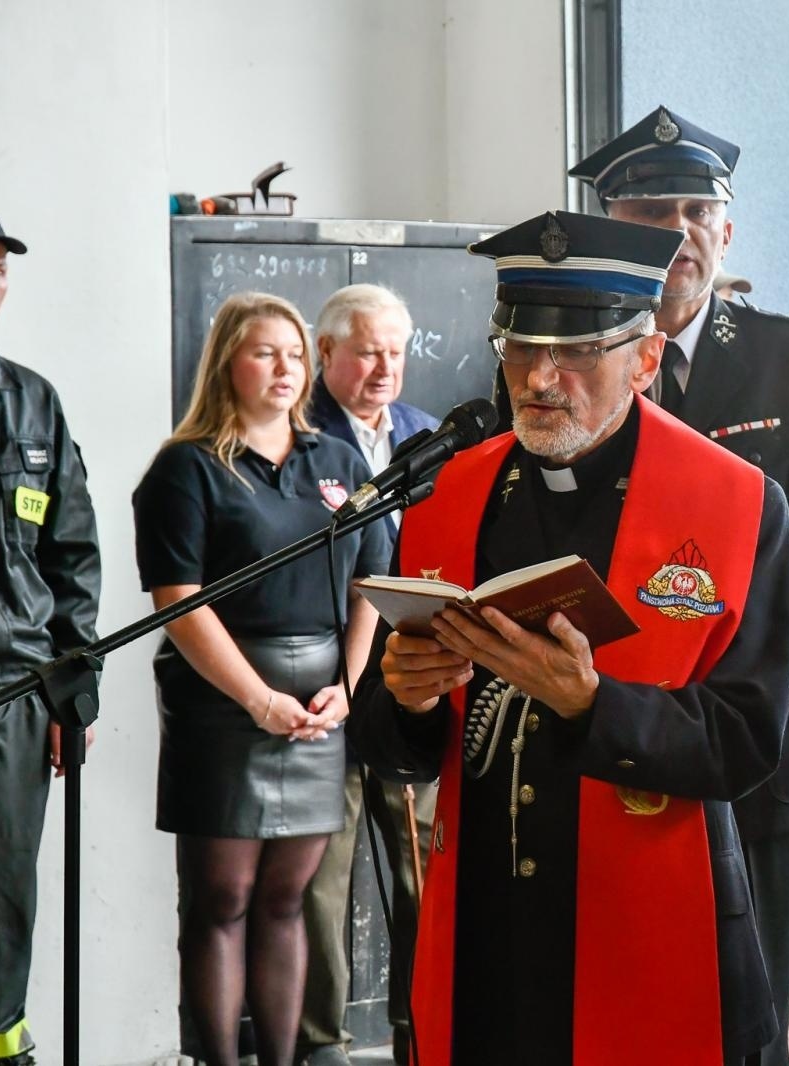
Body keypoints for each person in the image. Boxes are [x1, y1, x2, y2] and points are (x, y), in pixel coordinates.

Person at [347, 209, 789, 1064]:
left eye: (579, 352)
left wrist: (594, 706)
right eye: (519, 348)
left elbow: (747, 741)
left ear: (646, 359)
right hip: (484, 923)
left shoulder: (735, 505)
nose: (541, 376)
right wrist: (403, 698)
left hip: (650, 912)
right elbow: (387, 742)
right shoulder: (446, 497)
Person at [570, 105, 789, 1065]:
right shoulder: (560, 368)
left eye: (699, 209)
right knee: (621, 1001)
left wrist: (725, 661)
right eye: (655, 211)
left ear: (727, 231)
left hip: (751, 729)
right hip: (603, 724)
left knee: (750, 1016)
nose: (682, 230)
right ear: (611, 226)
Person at [132, 292, 387, 1066]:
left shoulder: (336, 460)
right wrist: (259, 699)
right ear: (227, 364)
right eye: (264, 353)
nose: (285, 368)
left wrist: (349, 684)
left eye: (294, 354)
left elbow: (372, 580)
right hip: (224, 706)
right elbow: (177, 602)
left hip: (319, 708)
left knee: (286, 905)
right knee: (223, 903)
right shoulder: (187, 468)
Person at [300, 283, 439, 1066]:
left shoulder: (427, 435)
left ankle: (419, 1037)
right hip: (321, 685)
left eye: (396, 350)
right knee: (323, 884)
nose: (384, 367)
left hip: (412, 685)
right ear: (327, 355)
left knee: (421, 874)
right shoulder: (299, 435)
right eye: (365, 350)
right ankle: (322, 1043)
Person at [0, 213, 100, 1066]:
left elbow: (72, 558)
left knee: (0, 896)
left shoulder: (31, 403)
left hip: (13, 697)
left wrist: (74, 694)